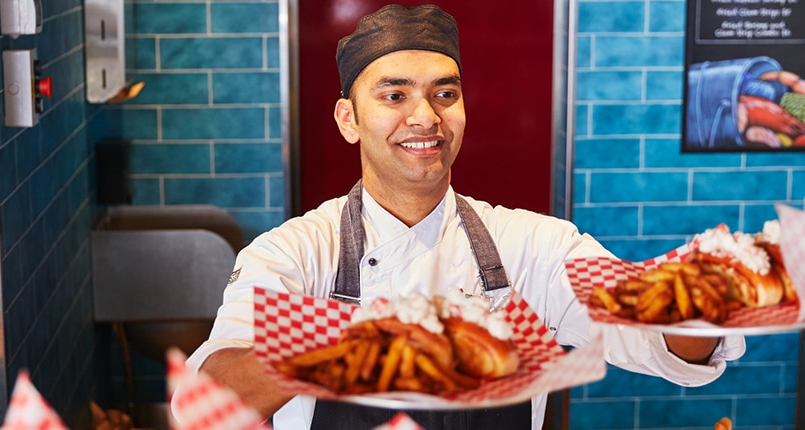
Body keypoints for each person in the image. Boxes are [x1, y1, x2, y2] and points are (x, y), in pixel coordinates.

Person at [183, 4, 744, 429]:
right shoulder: (293, 254)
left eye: (444, 94)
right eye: (395, 96)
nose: (426, 117)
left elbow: (662, 345)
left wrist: (695, 300)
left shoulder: (536, 249)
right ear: (348, 119)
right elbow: (215, 393)